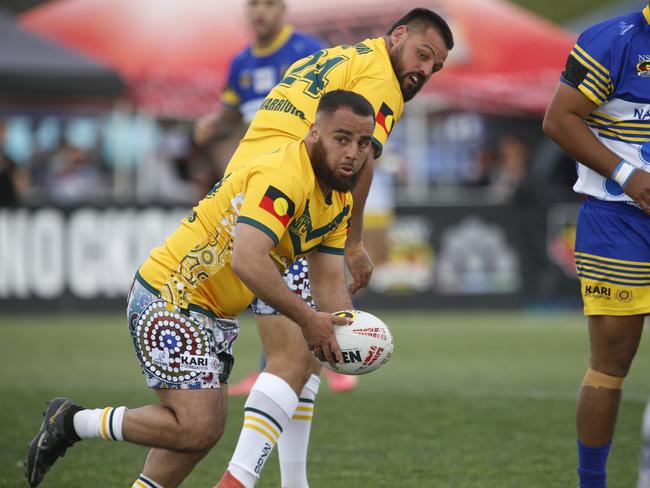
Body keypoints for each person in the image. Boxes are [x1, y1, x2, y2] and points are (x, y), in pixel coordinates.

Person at [24, 90, 375, 488]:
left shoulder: (338, 200)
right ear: (314, 134)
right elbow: (248, 260)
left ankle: (74, 424)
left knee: (199, 433)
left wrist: (349, 331)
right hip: (171, 295)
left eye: (363, 143)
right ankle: (71, 422)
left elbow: (328, 282)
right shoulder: (285, 176)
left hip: (212, 312)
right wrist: (309, 320)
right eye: (341, 138)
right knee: (197, 427)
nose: (353, 152)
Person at [215, 8, 453, 488]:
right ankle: (236, 481)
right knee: (294, 357)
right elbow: (357, 163)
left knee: (308, 354)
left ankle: (294, 483)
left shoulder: (338, 56)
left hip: (247, 197)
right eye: (423, 55)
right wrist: (353, 240)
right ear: (398, 35)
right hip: (289, 204)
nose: (425, 71)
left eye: (436, 67)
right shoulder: (381, 82)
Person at [194, 0, 357, 397]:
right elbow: (233, 115)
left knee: (303, 272)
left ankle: (324, 356)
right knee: (266, 273)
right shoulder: (241, 64)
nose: (260, 12)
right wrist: (213, 123)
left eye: (269, 4)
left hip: (300, 183)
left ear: (283, 9)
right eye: (254, 5)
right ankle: (278, 363)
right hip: (258, 184)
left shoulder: (307, 53)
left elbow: (339, 113)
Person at [543, 3, 650, 487]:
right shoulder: (613, 39)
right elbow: (560, 119)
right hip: (617, 221)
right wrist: (629, 177)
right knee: (611, 364)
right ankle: (593, 484)